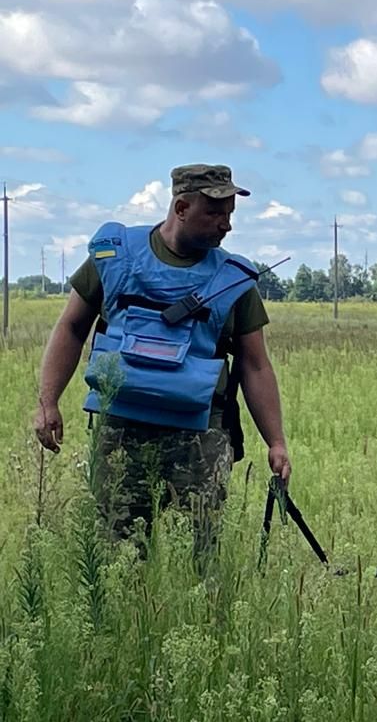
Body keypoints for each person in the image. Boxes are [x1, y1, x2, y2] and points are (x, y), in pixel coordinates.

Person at [32, 164, 291, 558]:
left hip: (201, 435)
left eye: (229, 216)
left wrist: (276, 442)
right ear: (181, 207)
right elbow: (71, 327)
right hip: (120, 429)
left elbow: (255, 365)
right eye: (215, 213)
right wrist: (48, 401)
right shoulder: (115, 257)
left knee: (202, 553)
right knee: (119, 554)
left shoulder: (233, 278)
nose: (226, 226)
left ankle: (201, 618)